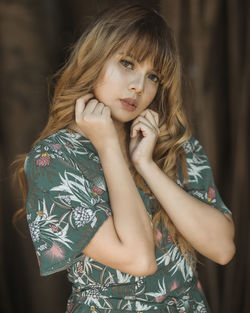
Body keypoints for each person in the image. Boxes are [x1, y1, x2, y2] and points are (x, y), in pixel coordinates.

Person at [12, 3, 235, 312]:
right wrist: (108, 147)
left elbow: (223, 248)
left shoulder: (172, 145)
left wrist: (147, 165)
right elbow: (138, 258)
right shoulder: (54, 159)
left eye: (153, 76)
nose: (138, 86)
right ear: (95, 59)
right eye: (128, 63)